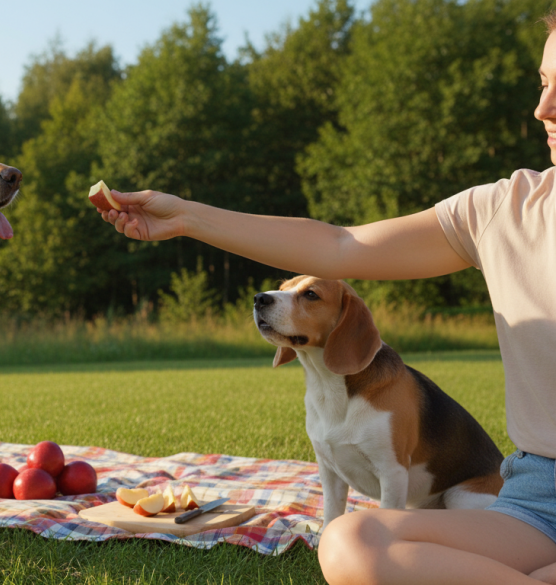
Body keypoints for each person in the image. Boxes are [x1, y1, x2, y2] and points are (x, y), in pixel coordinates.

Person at [97, 14, 556, 585]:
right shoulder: (504, 210)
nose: (544, 109)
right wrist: (187, 216)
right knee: (348, 544)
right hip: (540, 501)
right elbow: (340, 245)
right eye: (543, 82)